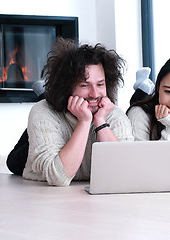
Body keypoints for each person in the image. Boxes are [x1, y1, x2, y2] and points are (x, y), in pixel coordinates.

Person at [21, 38, 134, 186]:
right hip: (33, 159)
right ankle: (45, 92)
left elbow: (126, 171)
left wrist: (100, 122)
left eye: (100, 84)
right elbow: (59, 178)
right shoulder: (42, 111)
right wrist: (84, 121)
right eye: (85, 85)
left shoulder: (114, 114)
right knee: (14, 159)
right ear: (67, 86)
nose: (94, 93)